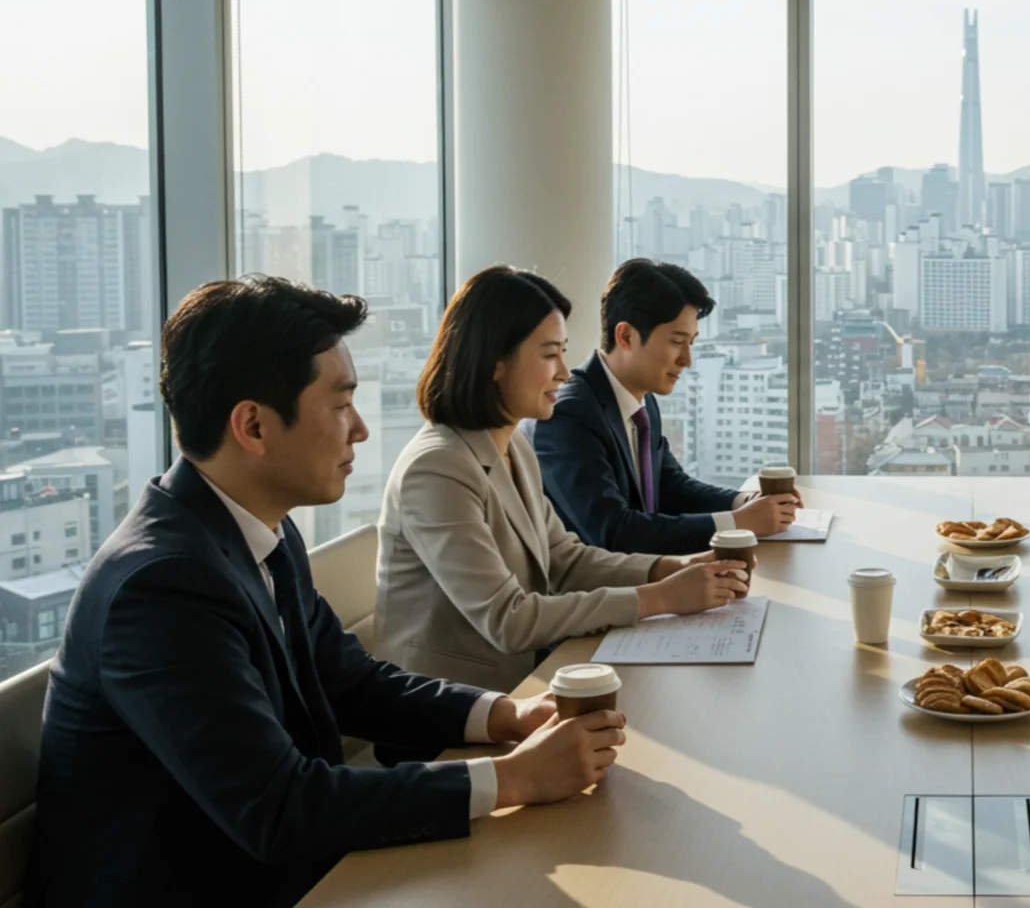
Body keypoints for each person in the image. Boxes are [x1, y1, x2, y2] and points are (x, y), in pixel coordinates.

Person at [30, 277, 625, 908]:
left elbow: (352, 682)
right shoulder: (159, 586)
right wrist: (513, 778)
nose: (361, 430)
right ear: (253, 426)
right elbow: (280, 808)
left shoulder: (259, 530)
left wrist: (508, 716)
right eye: (341, 405)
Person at [376, 266, 744, 696]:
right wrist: (659, 598)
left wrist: (673, 568)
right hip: (454, 712)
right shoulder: (436, 468)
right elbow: (508, 620)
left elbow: (565, 560)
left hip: (525, 683)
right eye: (550, 354)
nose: (564, 373)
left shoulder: (513, 446)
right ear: (496, 361)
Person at [525, 258, 801, 556]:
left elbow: (671, 486)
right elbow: (614, 532)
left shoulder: (642, 400)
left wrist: (743, 502)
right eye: (676, 342)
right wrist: (734, 523)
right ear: (626, 336)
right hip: (598, 593)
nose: (687, 359)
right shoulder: (569, 414)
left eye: (691, 343)